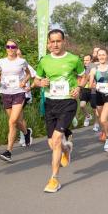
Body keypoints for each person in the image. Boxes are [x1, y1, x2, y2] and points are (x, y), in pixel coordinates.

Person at [34, 29, 85, 193]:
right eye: (52, 41)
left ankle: (54, 179)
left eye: (58, 41)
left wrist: (79, 87)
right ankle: (66, 149)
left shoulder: (73, 59)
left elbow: (83, 76)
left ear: (64, 42)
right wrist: (40, 83)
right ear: (48, 43)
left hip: (68, 103)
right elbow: (37, 79)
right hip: (50, 103)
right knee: (52, 143)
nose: (55, 44)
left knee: (56, 139)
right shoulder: (44, 61)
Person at [0, 40, 33, 162]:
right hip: (6, 93)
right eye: (8, 46)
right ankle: (26, 133)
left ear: (16, 48)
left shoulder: (21, 61)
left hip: (19, 93)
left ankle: (8, 152)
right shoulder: (1, 62)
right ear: (6, 48)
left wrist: (24, 82)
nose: (10, 48)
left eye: (13, 46)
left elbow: (29, 74)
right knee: (16, 122)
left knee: (12, 121)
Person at [89, 48, 108, 152]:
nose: (101, 57)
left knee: (103, 119)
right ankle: (106, 135)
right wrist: (92, 85)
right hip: (98, 96)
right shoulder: (94, 69)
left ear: (107, 56)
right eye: (99, 55)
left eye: (103, 55)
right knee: (101, 119)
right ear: (97, 56)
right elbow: (91, 83)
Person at [16, 49, 36, 146]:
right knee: (16, 118)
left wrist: (30, 87)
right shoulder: (9, 65)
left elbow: (37, 78)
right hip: (11, 94)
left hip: (24, 94)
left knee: (18, 116)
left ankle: (24, 136)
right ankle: (26, 132)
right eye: (16, 54)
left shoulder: (26, 65)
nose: (18, 56)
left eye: (19, 54)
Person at [79, 54, 94, 127]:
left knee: (95, 108)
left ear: (91, 60)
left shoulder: (95, 68)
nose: (85, 62)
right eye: (84, 60)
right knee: (82, 105)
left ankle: (97, 123)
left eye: (87, 60)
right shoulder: (82, 69)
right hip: (84, 89)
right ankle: (88, 116)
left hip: (93, 90)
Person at [90, 47, 101, 132]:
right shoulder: (90, 65)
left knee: (101, 108)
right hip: (94, 90)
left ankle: (98, 124)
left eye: (97, 52)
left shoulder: (106, 63)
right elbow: (86, 77)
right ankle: (97, 122)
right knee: (95, 108)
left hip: (105, 91)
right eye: (94, 51)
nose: (95, 53)